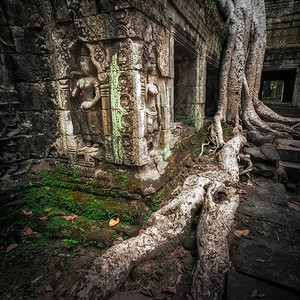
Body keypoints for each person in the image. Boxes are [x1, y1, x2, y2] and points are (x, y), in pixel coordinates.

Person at [71, 46, 102, 149]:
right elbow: (74, 95)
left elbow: (98, 94)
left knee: (93, 124)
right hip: (83, 105)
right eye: (80, 63)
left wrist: (91, 103)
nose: (82, 65)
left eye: (85, 63)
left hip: (92, 105)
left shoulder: (93, 80)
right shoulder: (80, 81)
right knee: (84, 125)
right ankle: (88, 141)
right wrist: (74, 83)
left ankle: (96, 142)